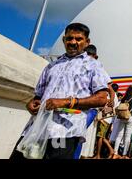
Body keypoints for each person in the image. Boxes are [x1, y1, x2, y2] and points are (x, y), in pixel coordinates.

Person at [9, 23, 110, 160]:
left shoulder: (93, 66)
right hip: (37, 128)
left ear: (87, 42)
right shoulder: (52, 65)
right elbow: (38, 96)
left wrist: (67, 102)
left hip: (65, 131)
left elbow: (101, 99)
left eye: (78, 39)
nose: (73, 42)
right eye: (69, 38)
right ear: (64, 40)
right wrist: (33, 103)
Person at [112, 84, 132, 159]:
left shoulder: (124, 97)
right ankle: (124, 155)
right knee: (127, 136)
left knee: (119, 135)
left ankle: (115, 153)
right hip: (131, 117)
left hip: (122, 117)